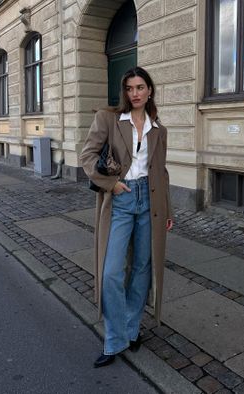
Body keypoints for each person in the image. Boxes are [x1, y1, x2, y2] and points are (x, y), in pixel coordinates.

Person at [80, 67, 172, 368]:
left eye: (140, 87)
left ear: (149, 90)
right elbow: (88, 156)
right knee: (111, 271)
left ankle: (132, 330)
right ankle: (114, 338)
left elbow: (161, 171)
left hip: (151, 200)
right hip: (121, 198)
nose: (135, 93)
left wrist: (168, 210)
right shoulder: (108, 118)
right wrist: (112, 184)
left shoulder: (158, 128)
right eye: (130, 88)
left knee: (143, 267)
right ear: (125, 91)